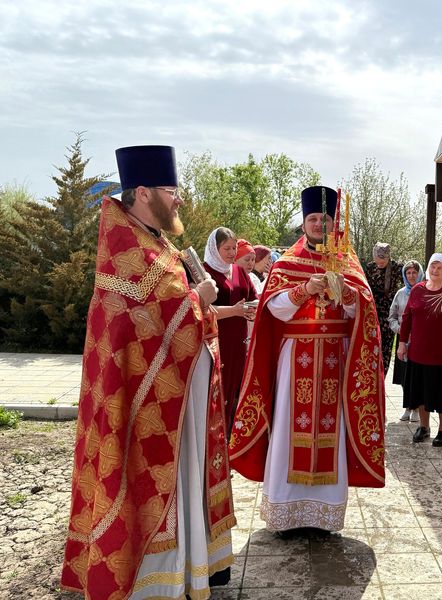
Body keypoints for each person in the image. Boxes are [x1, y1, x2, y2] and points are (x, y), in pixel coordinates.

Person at [61, 145, 236, 600]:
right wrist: (198, 299)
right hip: (146, 406)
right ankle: (152, 580)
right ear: (142, 192)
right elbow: (141, 323)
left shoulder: (156, 242)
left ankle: (190, 567)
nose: (179, 199)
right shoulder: (128, 248)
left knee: (183, 479)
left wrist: (196, 303)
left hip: (177, 399)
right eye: (171, 190)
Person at [228, 185, 385, 534]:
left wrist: (347, 294)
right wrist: (304, 290)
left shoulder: (348, 262)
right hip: (294, 357)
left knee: (333, 427)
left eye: (324, 219)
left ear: (333, 224)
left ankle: (323, 515)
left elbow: (364, 312)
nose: (318, 224)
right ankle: (287, 514)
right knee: (288, 427)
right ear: (303, 224)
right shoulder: (287, 263)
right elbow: (273, 309)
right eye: (312, 219)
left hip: (335, 357)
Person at [397, 253, 442, 447]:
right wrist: (402, 343)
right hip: (418, 352)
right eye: (432, 266)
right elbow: (407, 318)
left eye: (439, 268)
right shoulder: (417, 290)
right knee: (421, 391)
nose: (435, 271)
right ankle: (424, 427)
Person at [203, 227, 257, 438]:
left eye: (234, 248)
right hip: (216, 342)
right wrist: (234, 311)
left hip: (239, 343)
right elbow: (201, 309)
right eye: (227, 248)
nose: (232, 253)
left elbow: (253, 298)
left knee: (235, 391)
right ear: (214, 248)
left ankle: (229, 441)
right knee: (216, 392)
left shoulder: (239, 271)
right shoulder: (205, 273)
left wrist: (251, 309)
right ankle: (213, 442)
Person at [388, 260, 423, 422]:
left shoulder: (425, 291)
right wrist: (400, 330)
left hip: (420, 340)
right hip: (403, 339)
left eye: (414, 272)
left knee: (417, 375)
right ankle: (408, 407)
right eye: (408, 273)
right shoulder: (400, 293)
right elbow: (392, 317)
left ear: (420, 273)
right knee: (405, 375)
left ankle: (417, 409)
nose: (411, 276)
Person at [364, 242, 403, 373]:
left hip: (389, 312)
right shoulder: (370, 267)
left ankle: (382, 376)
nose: (379, 264)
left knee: (385, 348)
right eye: (377, 262)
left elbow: (408, 284)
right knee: (371, 345)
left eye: (382, 262)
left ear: (388, 257)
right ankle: (370, 376)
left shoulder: (397, 268)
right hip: (372, 310)